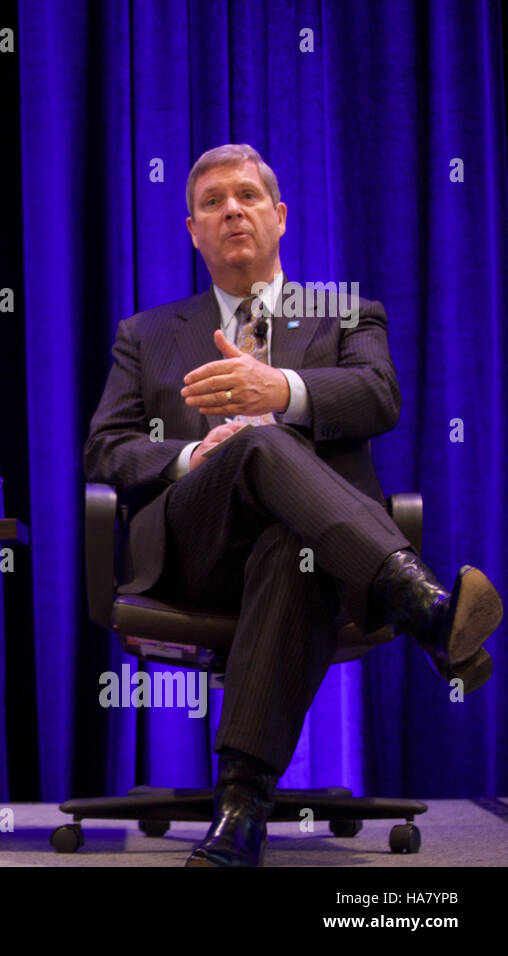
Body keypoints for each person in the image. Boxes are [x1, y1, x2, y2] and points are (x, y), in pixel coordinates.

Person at [83, 144, 501, 867]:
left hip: (318, 557)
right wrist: (195, 455)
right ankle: (420, 603)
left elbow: (379, 397)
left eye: (247, 196)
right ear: (192, 230)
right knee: (254, 445)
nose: (232, 210)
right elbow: (105, 450)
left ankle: (240, 810)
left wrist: (281, 390)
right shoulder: (146, 335)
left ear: (279, 216)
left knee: (292, 546)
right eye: (212, 202)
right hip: (196, 547)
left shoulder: (346, 314)